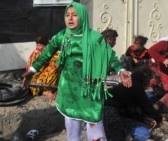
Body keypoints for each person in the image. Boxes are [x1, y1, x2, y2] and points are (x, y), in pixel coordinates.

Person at [22, 2, 132, 141]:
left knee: (95, 125)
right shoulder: (62, 36)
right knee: (72, 130)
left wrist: (121, 69)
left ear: (83, 17)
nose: (70, 18)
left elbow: (110, 57)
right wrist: (32, 70)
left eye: (75, 15)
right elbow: (46, 54)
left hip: (90, 89)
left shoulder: (95, 38)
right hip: (69, 89)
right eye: (67, 15)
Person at [103, 66, 164, 141]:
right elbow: (147, 106)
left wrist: (143, 118)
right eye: (148, 83)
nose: (148, 86)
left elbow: (130, 109)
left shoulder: (129, 84)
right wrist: (159, 118)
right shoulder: (135, 86)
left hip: (107, 113)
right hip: (111, 114)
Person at [25, 34, 60, 100]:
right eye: (38, 45)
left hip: (42, 77)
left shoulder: (49, 51)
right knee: (53, 68)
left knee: (55, 67)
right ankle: (46, 91)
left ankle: (50, 90)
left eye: (42, 45)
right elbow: (36, 70)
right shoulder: (37, 53)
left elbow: (57, 57)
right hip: (35, 78)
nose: (40, 47)